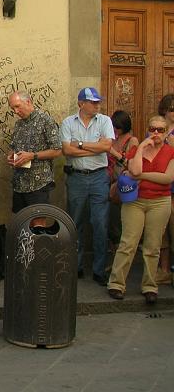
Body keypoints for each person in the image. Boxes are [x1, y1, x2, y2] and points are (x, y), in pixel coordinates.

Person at [107, 115, 174, 305]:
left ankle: (150, 286)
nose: (156, 133)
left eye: (161, 130)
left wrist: (141, 176)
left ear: (165, 132)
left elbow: (167, 178)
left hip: (160, 202)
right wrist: (142, 148)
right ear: (147, 130)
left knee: (152, 246)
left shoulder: (171, 152)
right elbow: (133, 170)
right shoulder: (137, 149)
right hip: (135, 201)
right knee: (128, 243)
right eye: (152, 129)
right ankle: (116, 284)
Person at [61, 87, 115, 285]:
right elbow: (67, 150)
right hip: (77, 177)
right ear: (81, 104)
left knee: (100, 223)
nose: (97, 105)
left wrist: (81, 145)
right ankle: (76, 266)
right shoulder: (68, 122)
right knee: (75, 222)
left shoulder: (105, 120)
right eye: (93, 102)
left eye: (97, 102)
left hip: (99, 177)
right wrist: (94, 148)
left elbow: (107, 147)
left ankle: (99, 269)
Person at [7, 91, 62, 213]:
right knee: (20, 220)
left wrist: (33, 156)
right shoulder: (18, 124)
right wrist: (11, 156)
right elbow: (12, 146)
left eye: (17, 106)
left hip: (38, 183)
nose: (16, 111)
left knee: (37, 221)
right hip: (20, 183)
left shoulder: (46, 120)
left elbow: (57, 150)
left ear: (28, 102)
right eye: (13, 108)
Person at [107, 111, 138, 245]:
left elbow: (132, 164)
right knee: (111, 220)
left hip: (124, 184)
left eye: (118, 127)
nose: (115, 130)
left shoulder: (132, 141)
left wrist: (115, 153)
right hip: (109, 182)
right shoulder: (113, 139)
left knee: (123, 220)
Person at [157, 94, 174, 283]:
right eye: (171, 109)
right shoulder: (157, 130)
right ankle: (163, 270)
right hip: (160, 189)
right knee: (161, 233)